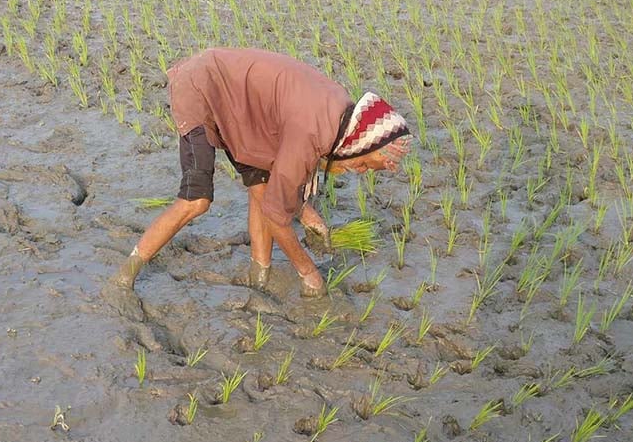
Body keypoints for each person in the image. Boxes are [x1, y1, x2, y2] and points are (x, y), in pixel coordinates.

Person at [111, 47, 412, 300]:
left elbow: (276, 192)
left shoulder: (341, 115)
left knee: (262, 186)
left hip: (243, 112)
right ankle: (123, 279)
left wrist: (306, 214)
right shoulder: (312, 131)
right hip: (202, 87)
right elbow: (277, 215)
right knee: (197, 200)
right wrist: (308, 272)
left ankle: (259, 277)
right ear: (360, 143)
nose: (356, 170)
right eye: (363, 164)